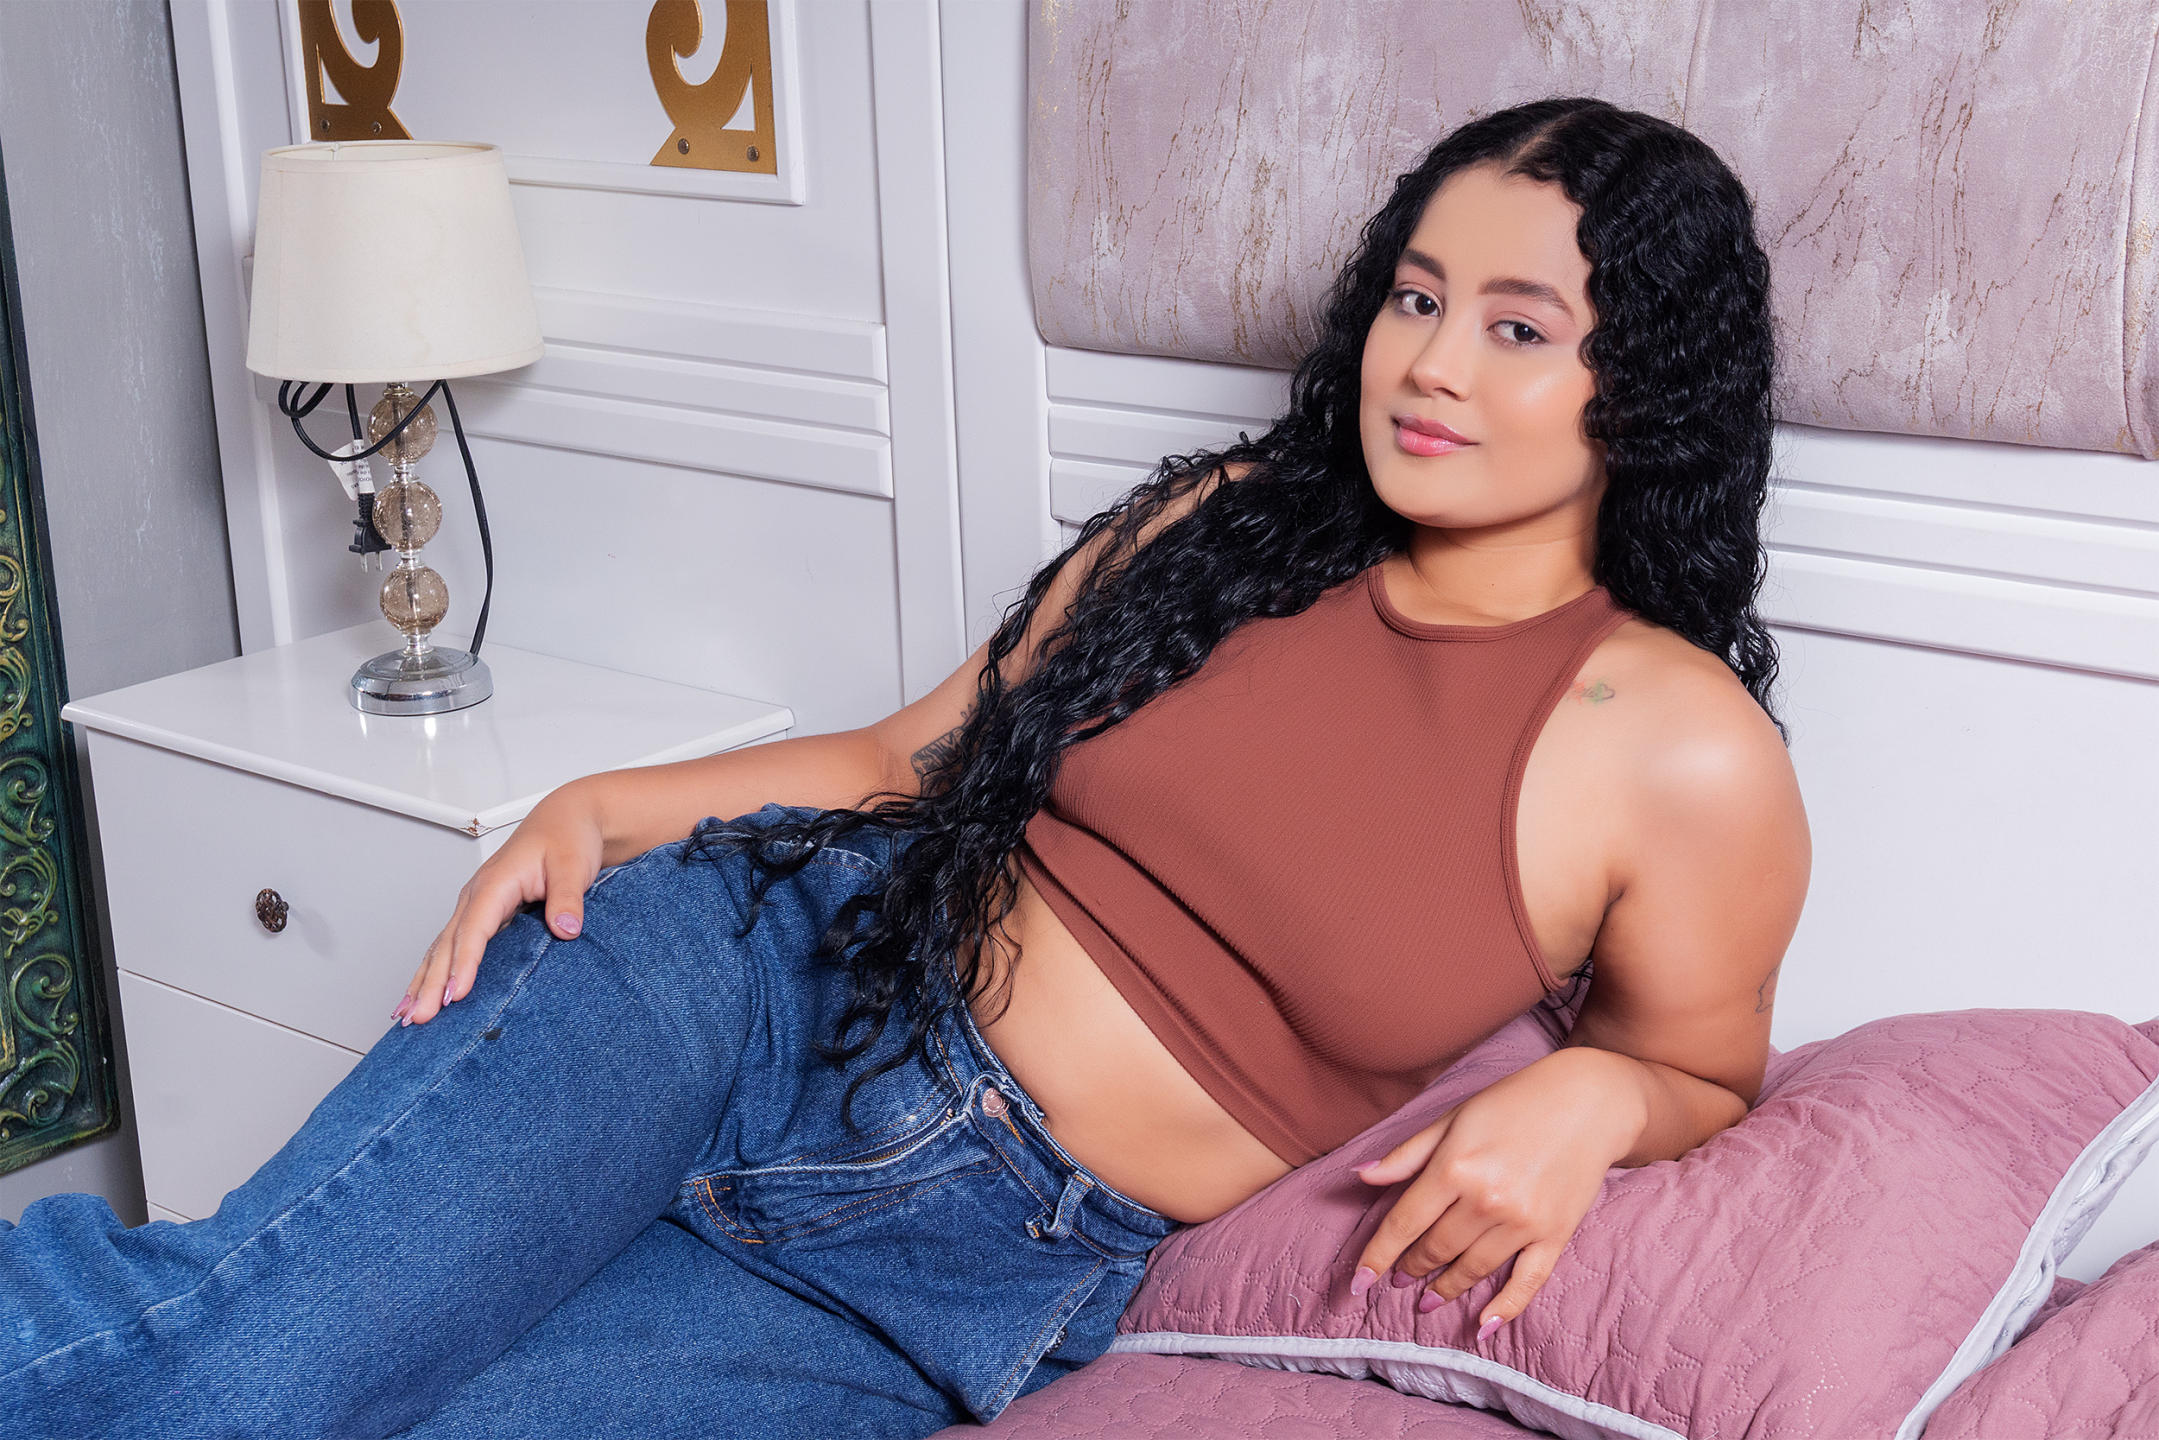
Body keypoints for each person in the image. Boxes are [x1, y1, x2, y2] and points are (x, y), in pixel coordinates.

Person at [0, 95, 1808, 1438]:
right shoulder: (1233, 520)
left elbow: (1701, 1065)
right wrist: (604, 808)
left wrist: (1598, 1099)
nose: (1429, 366)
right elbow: (902, 758)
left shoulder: (1679, 753)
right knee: (226, 1375)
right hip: (758, 986)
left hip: (953, 1260)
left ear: (1644, 385)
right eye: (1416, 300)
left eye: (1518, 328)